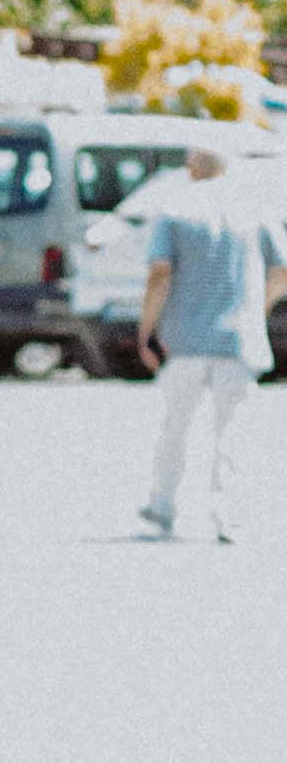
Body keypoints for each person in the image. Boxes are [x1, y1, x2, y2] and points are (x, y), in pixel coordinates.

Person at [137, 143, 282, 543]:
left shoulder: (176, 208)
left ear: (192, 167)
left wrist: (146, 328)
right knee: (231, 429)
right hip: (238, 338)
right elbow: (282, 271)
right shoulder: (254, 209)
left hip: (183, 338)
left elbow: (160, 273)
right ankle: (227, 514)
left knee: (175, 427)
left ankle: (163, 504)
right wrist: (258, 310)